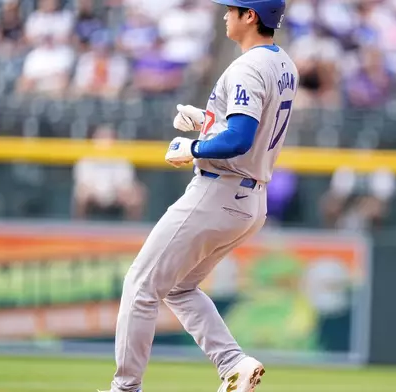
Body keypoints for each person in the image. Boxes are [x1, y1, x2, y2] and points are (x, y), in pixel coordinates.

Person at [99, 1, 296, 392]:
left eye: (232, 9)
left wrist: (193, 148)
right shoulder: (283, 63)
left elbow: (240, 138)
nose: (225, 15)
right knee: (179, 288)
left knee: (140, 286)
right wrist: (206, 123)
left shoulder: (247, 66)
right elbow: (247, 128)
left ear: (250, 16)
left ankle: (125, 388)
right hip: (250, 201)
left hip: (218, 192)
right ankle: (233, 364)